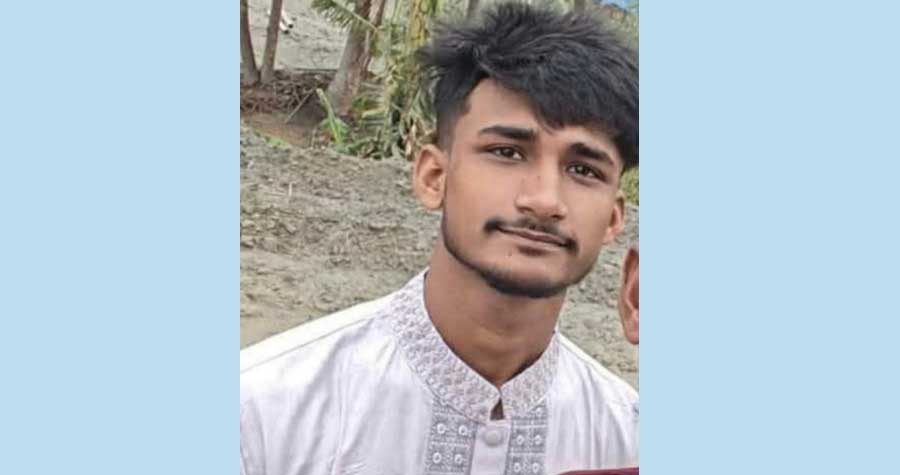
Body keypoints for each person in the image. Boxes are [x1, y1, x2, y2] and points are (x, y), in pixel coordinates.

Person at [240, 2, 639, 474]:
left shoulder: (627, 438)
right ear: (434, 177)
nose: (544, 200)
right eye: (507, 152)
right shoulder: (263, 413)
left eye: (583, 170)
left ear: (613, 219)